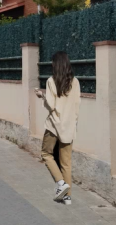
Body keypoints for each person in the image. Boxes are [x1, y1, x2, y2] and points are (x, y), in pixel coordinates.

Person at [35, 51, 81, 206]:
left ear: (56, 64)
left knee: (46, 154)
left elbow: (51, 105)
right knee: (66, 162)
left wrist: (41, 95)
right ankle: (67, 197)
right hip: (69, 126)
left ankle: (60, 183)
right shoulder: (75, 82)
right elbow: (77, 105)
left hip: (54, 126)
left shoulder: (51, 81)